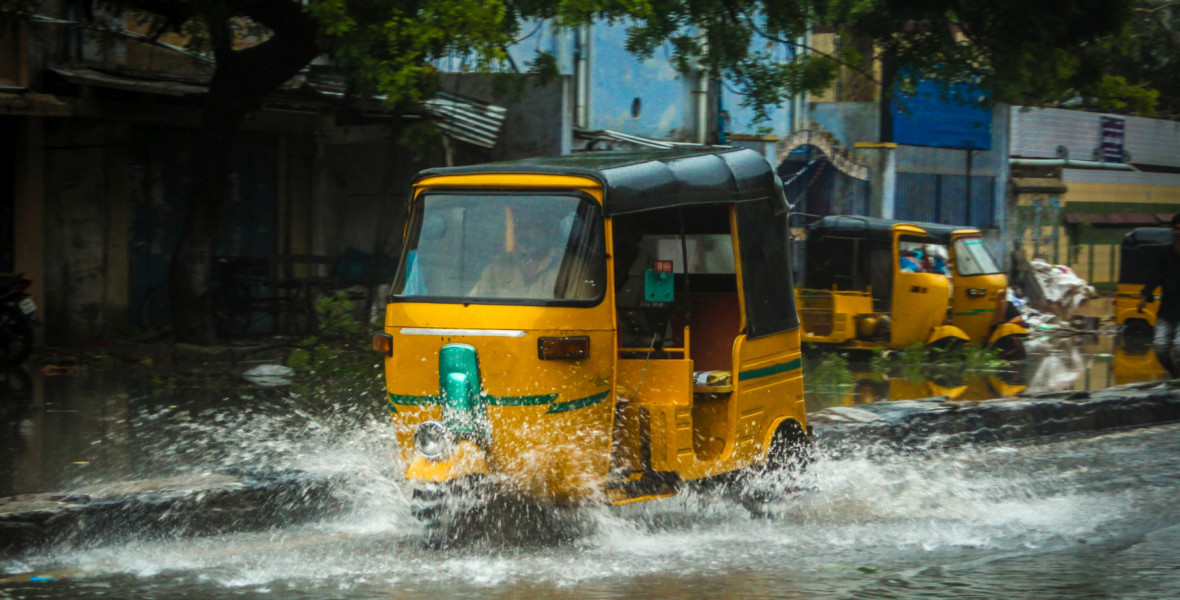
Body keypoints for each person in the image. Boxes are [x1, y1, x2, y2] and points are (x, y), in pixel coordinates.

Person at [469, 208, 598, 300]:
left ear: (549, 228)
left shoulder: (570, 267)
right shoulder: (500, 266)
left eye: (529, 227)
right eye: (520, 227)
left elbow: (582, 315)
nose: (522, 234)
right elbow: (473, 305)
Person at [1138, 212, 1180, 378]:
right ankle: (1174, 375)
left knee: (1179, 347)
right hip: (1167, 310)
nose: (1179, 233)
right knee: (1160, 347)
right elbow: (1154, 277)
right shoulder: (1165, 254)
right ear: (1172, 231)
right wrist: (1144, 296)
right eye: (1177, 229)